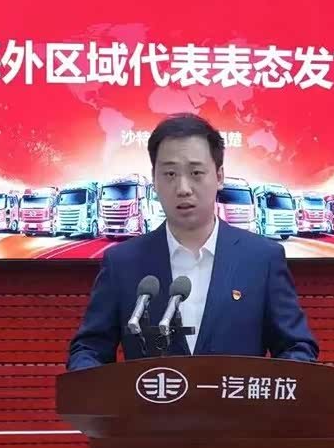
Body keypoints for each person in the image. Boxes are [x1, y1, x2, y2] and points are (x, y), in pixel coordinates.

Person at [67, 113, 319, 370]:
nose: (183, 188)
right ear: (154, 180)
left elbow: (296, 347)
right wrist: (93, 380)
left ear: (219, 177)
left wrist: (272, 388)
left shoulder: (262, 258)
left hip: (235, 397)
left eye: (196, 173)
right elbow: (89, 349)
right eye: (170, 174)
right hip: (153, 397)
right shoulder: (123, 262)